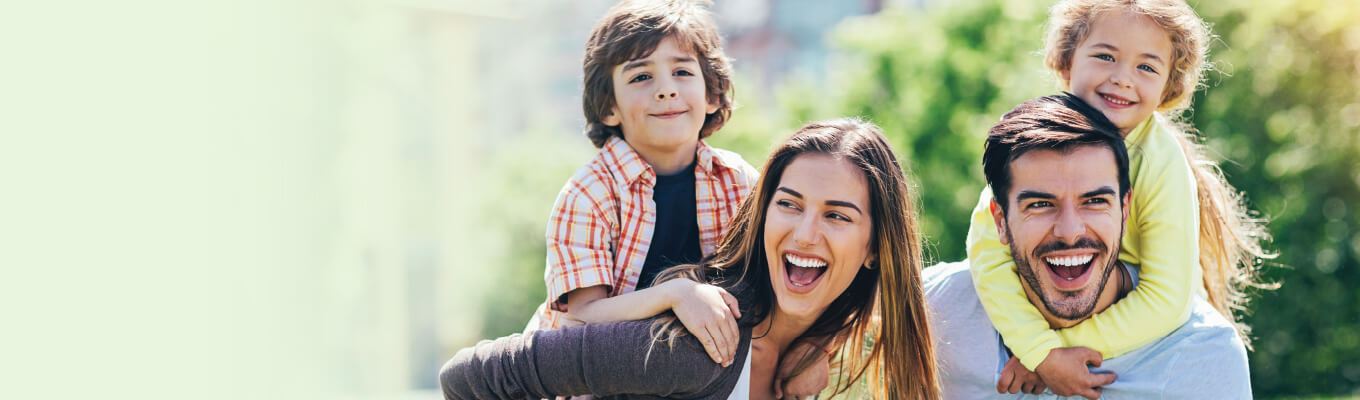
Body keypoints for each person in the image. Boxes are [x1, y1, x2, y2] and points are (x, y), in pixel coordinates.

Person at [442, 119, 939, 399]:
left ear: (876, 247)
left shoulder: (840, 353)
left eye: (837, 216)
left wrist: (822, 344)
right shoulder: (695, 348)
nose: (805, 234)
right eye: (788, 204)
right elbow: (468, 375)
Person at [964, 0, 1273, 395]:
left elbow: (1165, 299)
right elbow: (987, 250)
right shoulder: (1035, 142)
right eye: (1106, 56)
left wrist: (1050, 354)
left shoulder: (1161, 162)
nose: (1123, 79)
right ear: (1066, 62)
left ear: (1168, 86)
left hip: (1144, 333)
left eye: (1146, 67)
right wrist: (1039, 350)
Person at [928, 93, 1251, 398]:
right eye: (1040, 204)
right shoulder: (930, 313)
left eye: (1094, 201)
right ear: (999, 220)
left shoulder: (1202, 358)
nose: (1069, 232)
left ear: (1125, 212)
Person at [526, 0, 757, 371]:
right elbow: (581, 319)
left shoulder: (739, 181)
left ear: (712, 94)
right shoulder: (589, 193)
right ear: (608, 107)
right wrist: (676, 295)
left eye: (682, 72)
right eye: (640, 77)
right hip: (589, 378)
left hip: (695, 376)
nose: (665, 90)